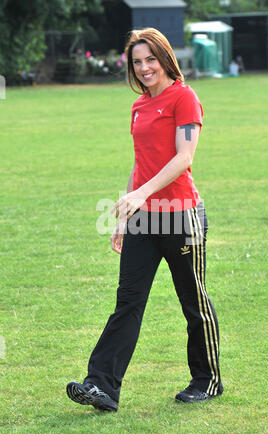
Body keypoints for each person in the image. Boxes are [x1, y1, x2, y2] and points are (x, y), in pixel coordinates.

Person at [66, 28, 223, 412]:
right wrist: (125, 212)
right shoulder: (138, 106)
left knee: (192, 300)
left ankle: (208, 380)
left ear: (165, 58)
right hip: (142, 218)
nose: (144, 67)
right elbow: (141, 162)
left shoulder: (184, 98)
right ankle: (101, 386)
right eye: (137, 62)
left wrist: (141, 194)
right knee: (128, 302)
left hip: (180, 215)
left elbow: (184, 157)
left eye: (150, 59)